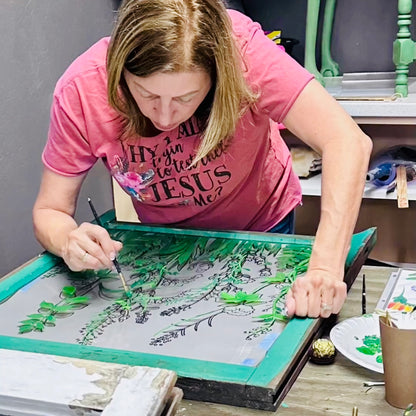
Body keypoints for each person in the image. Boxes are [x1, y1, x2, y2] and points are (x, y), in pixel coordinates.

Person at [33, 0, 372, 319]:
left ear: (215, 75)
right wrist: (68, 241)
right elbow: (50, 211)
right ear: (120, 71)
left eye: (186, 97)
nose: (164, 118)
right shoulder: (81, 89)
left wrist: (326, 267)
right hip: (166, 241)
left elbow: (347, 141)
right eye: (147, 94)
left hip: (261, 223)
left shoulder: (244, 50)